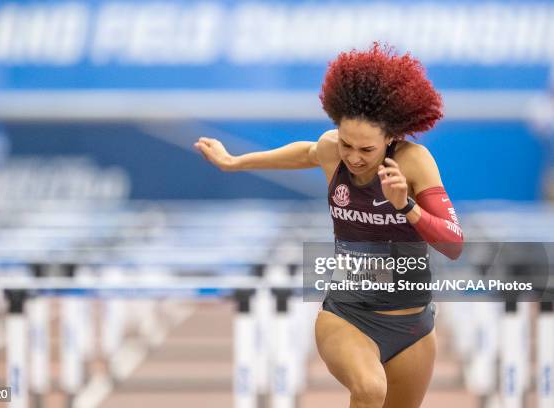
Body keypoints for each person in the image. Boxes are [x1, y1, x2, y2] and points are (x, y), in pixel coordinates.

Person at [194, 43, 463, 408]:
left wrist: (407, 207)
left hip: (413, 326)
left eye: (366, 150)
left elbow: (452, 243)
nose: (353, 157)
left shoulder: (415, 163)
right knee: (369, 390)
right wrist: (234, 162)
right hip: (347, 316)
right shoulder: (332, 150)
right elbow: (304, 153)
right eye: (347, 144)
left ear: (392, 138)